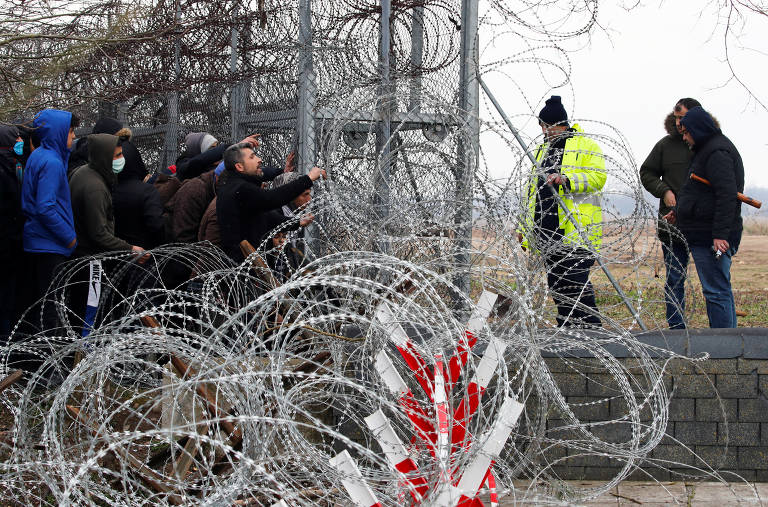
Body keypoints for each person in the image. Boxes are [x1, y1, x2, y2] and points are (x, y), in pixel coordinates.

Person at [518, 95, 607, 327]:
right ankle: (568, 332)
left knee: (576, 286)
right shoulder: (541, 150)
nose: (543, 131)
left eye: (545, 126)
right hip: (547, 231)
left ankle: (592, 333)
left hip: (577, 230)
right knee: (558, 288)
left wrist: (568, 180)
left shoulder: (586, 145)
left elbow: (599, 177)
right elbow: (532, 193)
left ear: (557, 124)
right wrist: (524, 229)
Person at [665, 106, 744, 328]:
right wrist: (678, 212)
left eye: (686, 132)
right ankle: (729, 342)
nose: (684, 137)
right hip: (703, 233)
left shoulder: (717, 152)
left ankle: (724, 348)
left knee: (716, 292)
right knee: (718, 289)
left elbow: (727, 195)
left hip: (711, 237)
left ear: (697, 129)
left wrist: (719, 235)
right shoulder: (705, 150)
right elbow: (699, 192)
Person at [640, 98, 701, 329]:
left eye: (683, 117)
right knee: (675, 279)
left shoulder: (707, 145)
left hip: (703, 224)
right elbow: (647, 172)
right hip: (672, 224)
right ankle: (677, 328)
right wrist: (663, 191)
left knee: (711, 283)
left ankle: (721, 334)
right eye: (676, 117)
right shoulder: (665, 146)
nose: (679, 123)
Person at [217, 141, 324, 263]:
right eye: (252, 157)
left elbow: (266, 217)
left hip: (244, 264)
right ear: (239, 167)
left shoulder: (235, 187)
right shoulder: (240, 188)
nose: (259, 160)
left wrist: (297, 222)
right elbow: (272, 199)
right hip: (241, 266)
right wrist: (308, 179)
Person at [21, 109, 79, 315]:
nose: (73, 136)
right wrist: (69, 238)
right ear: (58, 132)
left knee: (44, 306)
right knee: (54, 310)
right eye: (70, 131)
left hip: (38, 240)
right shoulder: (52, 163)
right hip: (51, 244)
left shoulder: (38, 155)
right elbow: (45, 207)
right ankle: (53, 347)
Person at [69, 133, 143, 256]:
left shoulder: (83, 171)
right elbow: (98, 233)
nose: (122, 158)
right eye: (118, 155)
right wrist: (130, 248)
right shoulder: (95, 188)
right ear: (105, 157)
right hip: (88, 255)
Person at [112, 128, 165, 249]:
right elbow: (156, 226)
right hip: (144, 255)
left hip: (113, 254)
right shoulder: (147, 191)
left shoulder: (107, 189)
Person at [0, 125, 25, 337]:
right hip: (6, 244)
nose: (20, 141)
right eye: (16, 138)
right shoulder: (5, 170)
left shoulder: (13, 167)